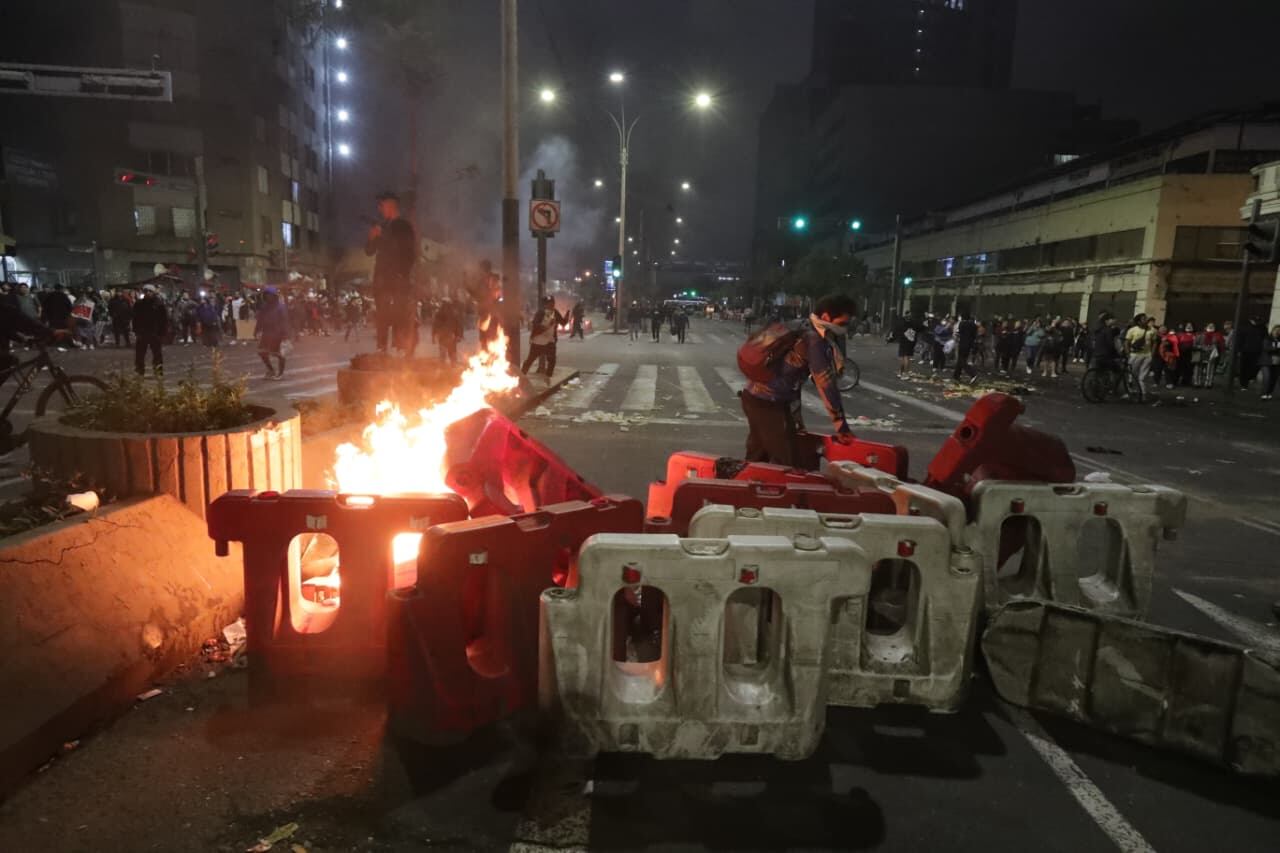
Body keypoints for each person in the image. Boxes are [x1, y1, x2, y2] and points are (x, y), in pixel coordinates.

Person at [740, 293, 856, 467]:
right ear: (826, 317)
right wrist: (841, 424)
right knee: (789, 465)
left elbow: (791, 380)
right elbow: (825, 384)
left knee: (757, 458)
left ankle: (740, 487)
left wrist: (795, 419)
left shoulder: (798, 325)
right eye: (843, 323)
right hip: (769, 404)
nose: (845, 328)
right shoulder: (815, 341)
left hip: (753, 397)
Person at [364, 191, 417, 353]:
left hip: (398, 280)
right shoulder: (382, 227)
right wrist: (372, 237)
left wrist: (402, 275)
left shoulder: (403, 226)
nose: (380, 209)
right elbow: (369, 251)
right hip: (382, 280)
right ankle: (382, 348)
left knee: (399, 314)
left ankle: (402, 348)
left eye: (383, 205)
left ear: (392, 206)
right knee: (382, 315)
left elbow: (408, 252)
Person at [521, 296, 565, 378]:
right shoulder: (541, 312)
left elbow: (563, 322)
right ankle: (521, 377)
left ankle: (548, 377)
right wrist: (547, 325)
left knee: (552, 360)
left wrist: (567, 314)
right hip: (538, 341)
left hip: (550, 341)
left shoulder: (555, 312)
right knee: (530, 360)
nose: (551, 305)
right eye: (549, 303)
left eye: (552, 303)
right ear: (545, 304)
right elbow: (535, 325)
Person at [132, 284, 169, 376]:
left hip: (155, 333)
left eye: (150, 291)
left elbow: (164, 319)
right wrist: (136, 331)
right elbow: (135, 318)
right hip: (142, 332)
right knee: (140, 354)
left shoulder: (159, 304)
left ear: (153, 292)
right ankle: (140, 371)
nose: (148, 293)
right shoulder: (139, 304)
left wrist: (162, 332)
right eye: (146, 291)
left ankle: (158, 372)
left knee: (157, 354)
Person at [255, 287, 290, 379]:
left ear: (274, 296)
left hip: (277, 333)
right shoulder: (265, 307)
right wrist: (256, 330)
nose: (268, 297)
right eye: (266, 295)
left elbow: (284, 321)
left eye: (270, 295)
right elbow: (260, 320)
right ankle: (271, 370)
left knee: (278, 354)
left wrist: (285, 334)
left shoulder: (281, 306)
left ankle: (280, 373)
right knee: (262, 352)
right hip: (267, 333)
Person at [1124, 314, 1153, 396]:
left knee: (1142, 377)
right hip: (1135, 355)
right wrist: (1128, 354)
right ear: (1138, 321)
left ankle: (1143, 394)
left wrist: (1152, 354)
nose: (1146, 320)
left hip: (1147, 355)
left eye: (1146, 318)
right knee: (1132, 374)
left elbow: (1155, 342)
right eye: (1144, 319)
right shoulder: (1132, 330)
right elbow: (1126, 342)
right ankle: (1130, 392)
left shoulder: (1152, 330)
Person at [1237, 316, 1266, 390]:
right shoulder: (1246, 328)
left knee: (1251, 367)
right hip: (1247, 351)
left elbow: (1264, 339)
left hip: (1254, 351)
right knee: (1245, 367)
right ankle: (1244, 383)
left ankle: (1246, 381)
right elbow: (1240, 339)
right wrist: (1239, 349)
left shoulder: (1262, 328)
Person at [1194, 323, 1224, 387]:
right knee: (1199, 368)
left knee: (1210, 368)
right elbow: (1195, 344)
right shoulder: (1200, 335)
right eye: (1209, 326)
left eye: (1212, 326)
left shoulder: (1217, 336)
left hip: (1211, 354)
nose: (1211, 327)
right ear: (1206, 327)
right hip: (1201, 353)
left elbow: (1220, 345)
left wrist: (1213, 347)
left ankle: (1208, 383)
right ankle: (1197, 382)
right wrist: (1202, 347)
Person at [433, 300, 463, 365]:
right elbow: (459, 325)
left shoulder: (439, 313)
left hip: (443, 335)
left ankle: (443, 364)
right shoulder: (454, 313)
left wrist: (434, 335)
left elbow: (435, 325)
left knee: (443, 350)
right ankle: (453, 363)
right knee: (452, 350)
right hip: (451, 335)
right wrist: (459, 335)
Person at [952, 314, 978, 383]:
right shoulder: (974, 325)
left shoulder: (962, 323)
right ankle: (956, 375)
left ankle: (972, 374)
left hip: (962, 343)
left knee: (961, 360)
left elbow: (958, 333)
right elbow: (974, 335)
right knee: (961, 359)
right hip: (969, 345)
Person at [894, 311, 918, 377]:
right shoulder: (913, 323)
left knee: (903, 357)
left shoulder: (902, 323)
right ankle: (904, 372)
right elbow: (915, 333)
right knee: (907, 357)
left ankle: (902, 373)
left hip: (903, 341)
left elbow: (897, 330)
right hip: (910, 342)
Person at [1261, 325, 1280, 400]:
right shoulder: (1267, 339)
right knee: (1267, 377)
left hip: (1276, 362)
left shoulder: (1279, 340)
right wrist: (1276, 348)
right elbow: (1266, 348)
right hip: (1266, 361)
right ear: (1272, 331)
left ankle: (1269, 393)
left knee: (1274, 378)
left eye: (1279, 331)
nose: (1277, 332)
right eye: (1276, 330)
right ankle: (1264, 393)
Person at [1174, 322, 1196, 387]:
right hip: (1181, 353)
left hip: (1191, 354)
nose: (1189, 326)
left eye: (1190, 325)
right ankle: (1175, 381)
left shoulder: (1195, 335)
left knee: (1189, 368)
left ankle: (1186, 382)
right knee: (1178, 367)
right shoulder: (1180, 334)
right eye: (1187, 325)